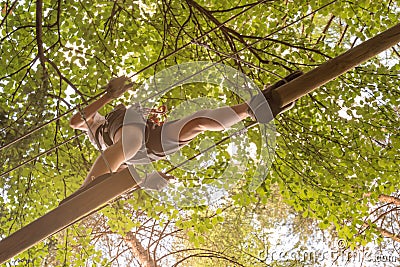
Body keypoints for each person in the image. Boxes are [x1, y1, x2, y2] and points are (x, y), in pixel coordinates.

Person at [68, 71, 303, 195]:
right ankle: (88, 187)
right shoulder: (99, 125)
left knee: (196, 123)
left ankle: (254, 107)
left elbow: (118, 165)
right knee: (126, 148)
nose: (91, 113)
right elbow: (76, 120)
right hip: (136, 145)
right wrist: (146, 180)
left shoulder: (111, 137)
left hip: (144, 132)